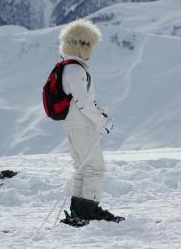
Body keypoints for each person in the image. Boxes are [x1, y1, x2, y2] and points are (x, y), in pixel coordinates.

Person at [58, 19, 123, 223]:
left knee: (83, 167)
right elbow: (83, 103)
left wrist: (99, 115)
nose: (91, 50)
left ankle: (78, 210)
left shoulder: (67, 67)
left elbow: (81, 102)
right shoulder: (76, 70)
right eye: (90, 45)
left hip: (74, 124)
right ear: (81, 45)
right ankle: (88, 210)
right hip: (82, 126)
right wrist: (101, 122)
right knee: (95, 167)